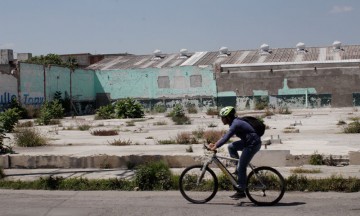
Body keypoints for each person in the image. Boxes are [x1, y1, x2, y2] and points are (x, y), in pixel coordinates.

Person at [209, 106, 262, 199]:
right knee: (231, 147)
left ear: (228, 117)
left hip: (252, 144)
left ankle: (241, 191)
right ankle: (238, 171)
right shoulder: (234, 122)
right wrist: (215, 144)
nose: (221, 119)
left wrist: (216, 146)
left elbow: (227, 137)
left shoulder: (236, 124)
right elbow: (225, 137)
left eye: (222, 117)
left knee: (242, 166)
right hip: (248, 142)